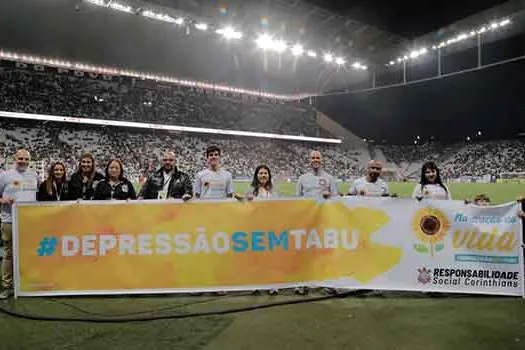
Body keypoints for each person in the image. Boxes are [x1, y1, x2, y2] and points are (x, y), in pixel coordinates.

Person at [0, 149, 38, 299]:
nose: (23, 161)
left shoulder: (34, 175)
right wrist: (3, 200)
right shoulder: (4, 175)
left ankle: (25, 284)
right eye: (20, 158)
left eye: (26, 159)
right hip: (9, 219)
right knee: (9, 254)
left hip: (29, 221)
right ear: (14, 159)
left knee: (28, 253)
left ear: (30, 161)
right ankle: (7, 287)